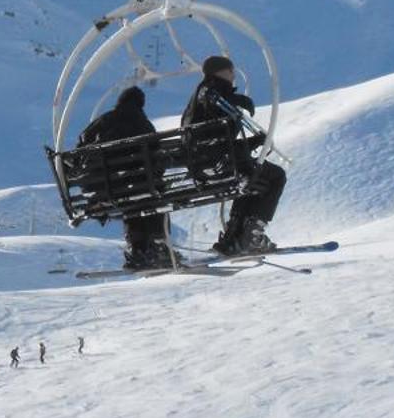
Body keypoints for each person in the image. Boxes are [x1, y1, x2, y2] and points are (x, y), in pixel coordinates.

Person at [182, 57, 286, 256]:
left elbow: (215, 137)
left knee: (252, 176)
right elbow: (216, 108)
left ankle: (236, 235)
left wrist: (253, 142)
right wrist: (238, 102)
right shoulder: (211, 90)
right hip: (218, 162)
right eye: (231, 71)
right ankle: (251, 235)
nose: (233, 75)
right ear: (220, 72)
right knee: (276, 175)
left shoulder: (200, 95)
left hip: (206, 161)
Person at [76, 85, 173, 270]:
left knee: (130, 199)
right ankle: (158, 247)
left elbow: (81, 148)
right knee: (148, 194)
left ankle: (138, 250)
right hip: (141, 187)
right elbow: (156, 156)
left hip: (105, 189)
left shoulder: (103, 120)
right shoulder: (144, 124)